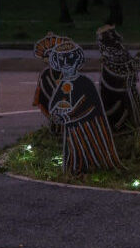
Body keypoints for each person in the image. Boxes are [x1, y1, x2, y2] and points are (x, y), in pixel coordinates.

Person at [33, 33, 121, 174]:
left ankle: (92, 169)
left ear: (78, 59)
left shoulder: (84, 82)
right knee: (73, 151)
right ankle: (74, 170)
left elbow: (88, 105)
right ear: (56, 62)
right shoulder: (62, 83)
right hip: (72, 128)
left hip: (89, 127)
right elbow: (56, 101)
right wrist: (56, 113)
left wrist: (68, 115)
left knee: (89, 150)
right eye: (62, 59)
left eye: (70, 58)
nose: (66, 62)